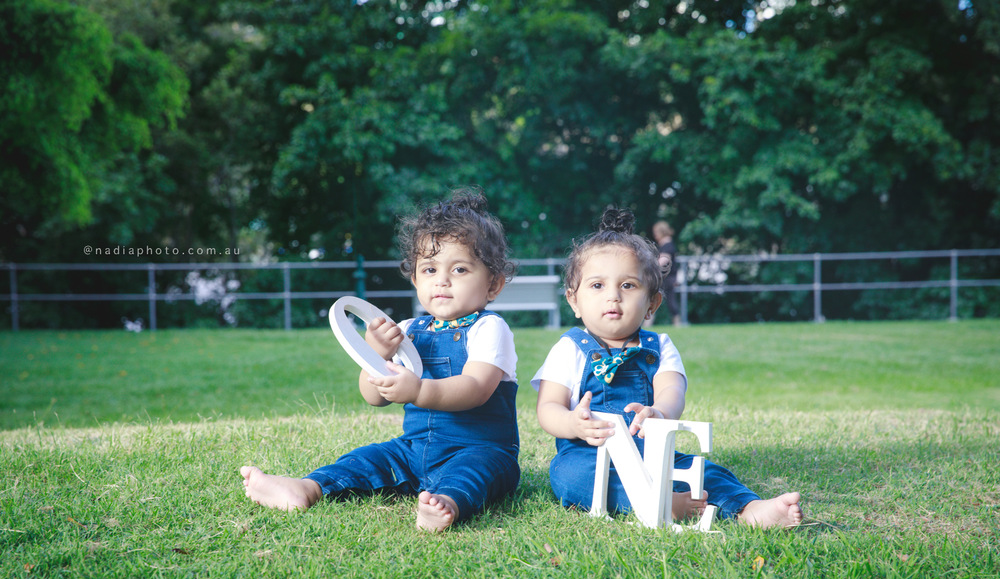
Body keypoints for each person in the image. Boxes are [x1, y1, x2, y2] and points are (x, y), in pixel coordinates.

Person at [240, 189, 521, 532]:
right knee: (368, 458)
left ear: (493, 284)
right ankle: (307, 487)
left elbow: (475, 388)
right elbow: (373, 397)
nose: (442, 280)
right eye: (430, 269)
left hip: (479, 447)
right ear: (416, 279)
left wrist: (417, 390)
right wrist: (376, 355)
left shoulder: (490, 329)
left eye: (460, 269)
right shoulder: (405, 330)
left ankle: (446, 504)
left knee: (477, 472)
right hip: (414, 448)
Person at [533, 207, 801, 528]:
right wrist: (572, 424)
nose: (613, 297)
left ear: (652, 304)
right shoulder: (569, 348)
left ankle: (750, 508)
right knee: (570, 478)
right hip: (589, 454)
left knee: (704, 470)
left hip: (654, 455)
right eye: (597, 286)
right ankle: (661, 504)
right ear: (574, 301)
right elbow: (548, 407)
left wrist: (660, 412)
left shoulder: (658, 346)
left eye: (628, 286)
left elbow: (673, 389)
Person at [646, 220, 681, 327]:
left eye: (656, 232)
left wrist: (650, 268)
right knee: (667, 301)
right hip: (668, 278)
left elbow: (663, 261)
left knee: (654, 299)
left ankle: (648, 324)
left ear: (662, 232)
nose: (655, 235)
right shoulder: (668, 244)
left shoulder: (667, 245)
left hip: (666, 278)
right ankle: (677, 324)